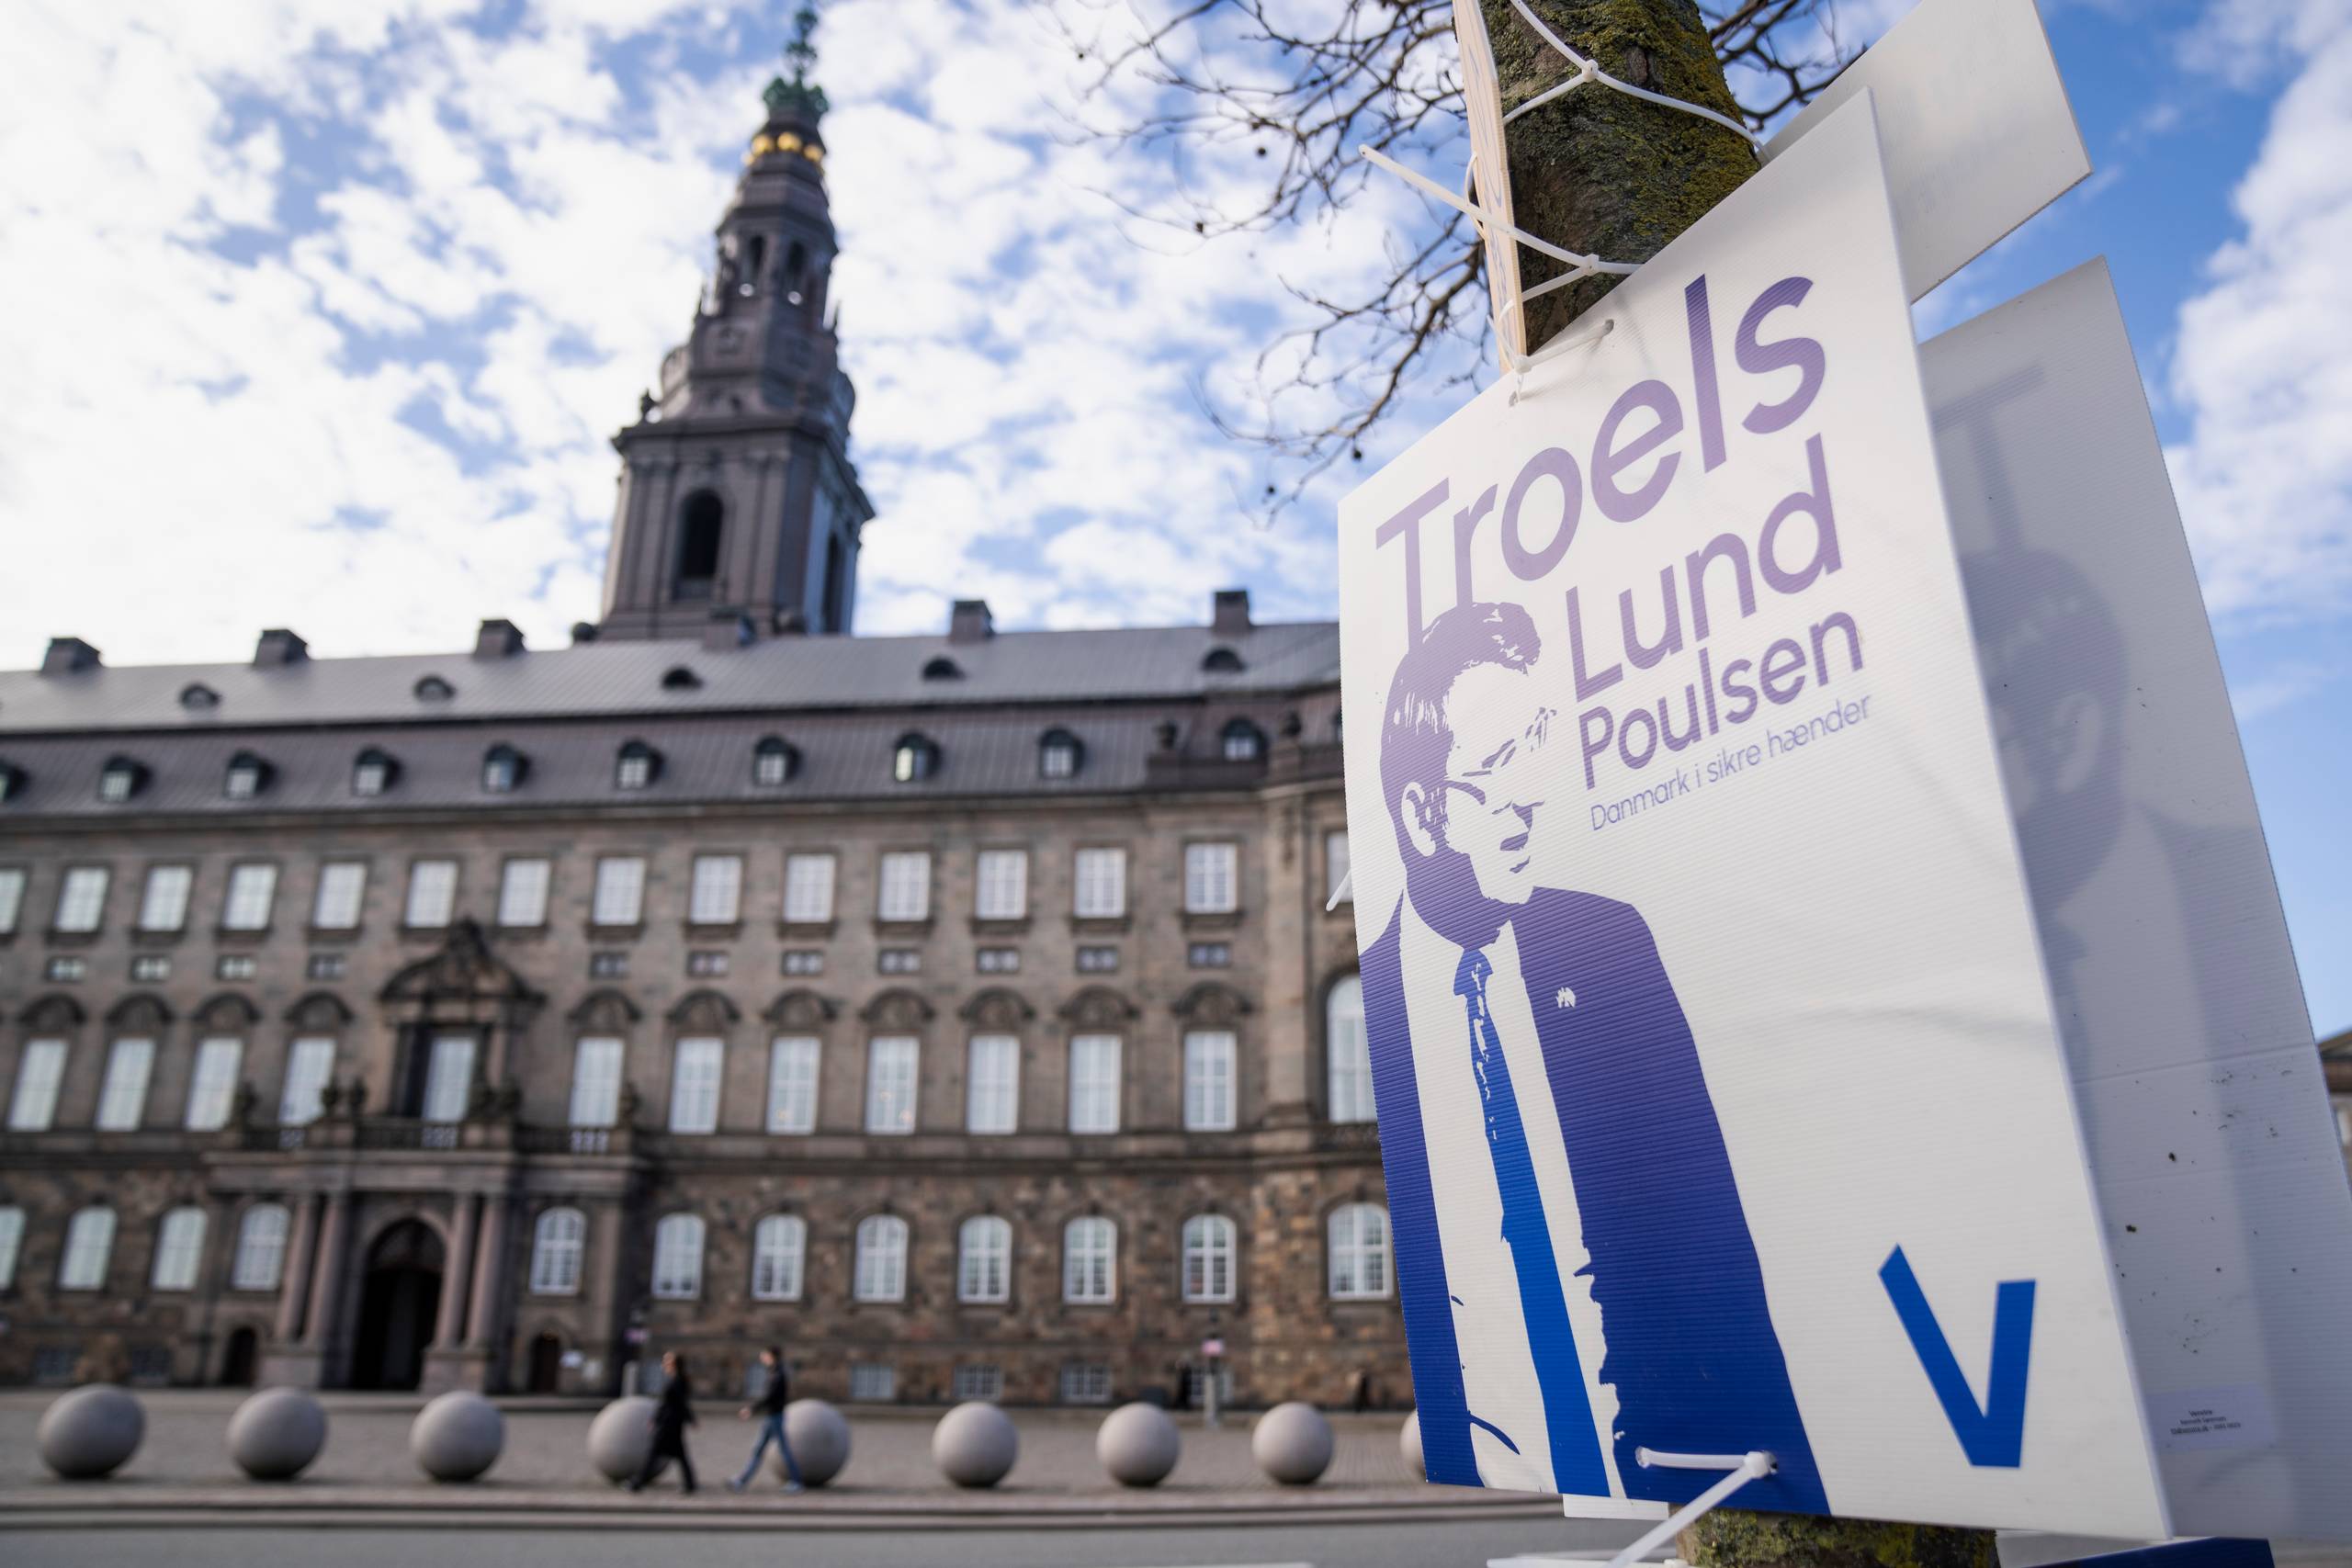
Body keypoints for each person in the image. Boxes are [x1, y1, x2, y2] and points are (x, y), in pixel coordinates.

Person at [1362, 600, 1825, 1513]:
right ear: (1419, 813)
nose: (1528, 798)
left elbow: (1708, 1233)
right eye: (1494, 770)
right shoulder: (1378, 998)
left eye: (1532, 758)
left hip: (1691, 1450)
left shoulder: (1607, 942)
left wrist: (1776, 1451)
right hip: (1497, 1442)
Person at [728, 1345, 804, 1493]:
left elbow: (769, 1397)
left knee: (780, 1450)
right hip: (772, 1416)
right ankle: (742, 1480)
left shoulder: (778, 1374)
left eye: (764, 1355)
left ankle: (796, 1482)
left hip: (774, 1417)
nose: (762, 1357)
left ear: (771, 1356)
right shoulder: (775, 1372)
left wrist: (751, 1409)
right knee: (761, 1449)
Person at [628, 1350, 698, 1495]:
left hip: (669, 1423)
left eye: (667, 1361)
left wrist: (657, 1419)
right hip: (672, 1422)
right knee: (679, 1455)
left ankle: (637, 1483)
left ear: (674, 1364)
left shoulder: (677, 1381)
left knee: (653, 1452)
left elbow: (677, 1403)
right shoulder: (677, 1380)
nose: (664, 1364)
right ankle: (690, 1484)